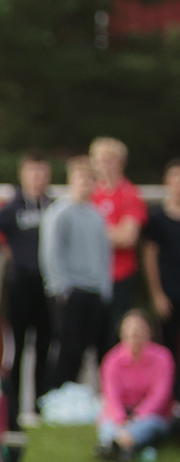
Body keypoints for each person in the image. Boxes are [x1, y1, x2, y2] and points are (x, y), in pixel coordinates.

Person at [0, 152, 54, 421]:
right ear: (22, 175)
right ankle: (13, 411)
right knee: (17, 348)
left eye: (42, 173)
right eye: (32, 173)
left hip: (49, 286)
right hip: (20, 285)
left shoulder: (54, 206)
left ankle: (41, 406)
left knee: (46, 347)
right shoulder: (12, 207)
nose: (37, 179)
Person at [42, 156, 114, 389]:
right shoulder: (60, 212)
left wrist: (105, 288)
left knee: (94, 348)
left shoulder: (97, 215)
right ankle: (59, 394)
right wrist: (60, 288)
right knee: (68, 348)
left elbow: (104, 255)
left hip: (95, 290)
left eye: (91, 180)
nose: (86, 184)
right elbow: (51, 252)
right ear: (71, 180)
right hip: (70, 290)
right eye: (81, 179)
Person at [95, 310, 173, 462]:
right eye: (130, 330)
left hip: (149, 414)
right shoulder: (112, 359)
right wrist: (121, 418)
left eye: (139, 330)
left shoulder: (162, 358)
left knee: (148, 424)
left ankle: (116, 446)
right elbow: (111, 395)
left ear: (149, 332)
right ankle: (122, 446)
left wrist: (136, 417)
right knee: (108, 422)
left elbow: (160, 395)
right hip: (122, 413)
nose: (134, 335)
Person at [90, 137, 147, 338]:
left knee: (115, 335)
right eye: (100, 159)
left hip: (120, 276)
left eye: (110, 159)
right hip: (90, 277)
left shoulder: (130, 194)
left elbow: (128, 237)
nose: (105, 165)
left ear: (121, 162)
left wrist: (92, 233)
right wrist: (112, 231)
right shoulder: (89, 194)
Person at [139, 158, 180, 361]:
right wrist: (156, 294)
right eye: (176, 177)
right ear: (167, 181)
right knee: (167, 349)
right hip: (168, 293)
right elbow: (149, 256)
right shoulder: (157, 218)